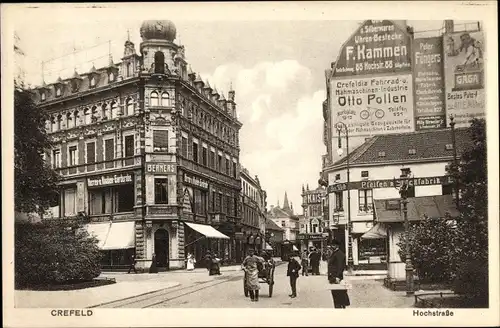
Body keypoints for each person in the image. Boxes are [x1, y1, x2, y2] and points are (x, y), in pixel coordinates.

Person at [327, 240, 350, 309]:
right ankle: (340, 307)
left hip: (336, 278)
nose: (332, 246)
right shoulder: (335, 253)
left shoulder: (339, 254)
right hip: (333, 277)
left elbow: (340, 267)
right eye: (331, 245)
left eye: (333, 245)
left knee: (338, 294)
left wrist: (337, 277)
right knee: (337, 294)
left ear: (337, 246)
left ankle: (340, 309)